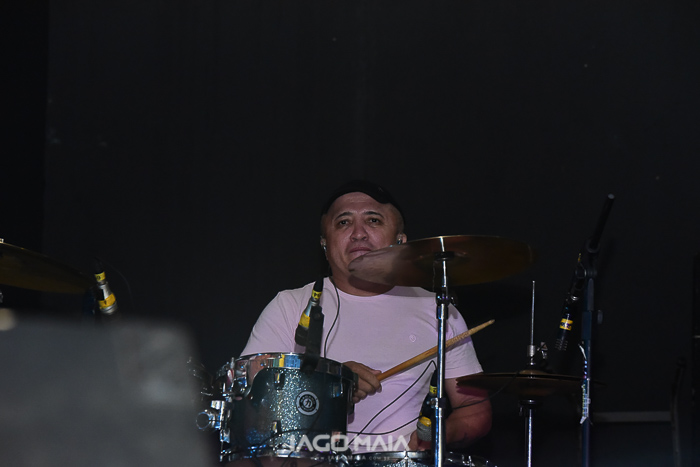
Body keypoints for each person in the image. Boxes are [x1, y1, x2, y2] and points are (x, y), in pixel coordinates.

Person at [240, 180, 491, 453]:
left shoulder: (439, 310)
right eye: (343, 223)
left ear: (400, 240)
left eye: (373, 220)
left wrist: (436, 437)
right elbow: (248, 401)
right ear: (325, 244)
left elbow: (474, 409)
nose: (358, 233)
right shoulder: (289, 306)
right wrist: (330, 383)